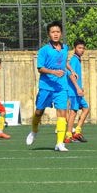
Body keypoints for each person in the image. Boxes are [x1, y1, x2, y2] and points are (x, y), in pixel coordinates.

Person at [26, 21, 71, 152]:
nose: (55, 34)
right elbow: (40, 68)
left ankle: (60, 143)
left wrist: (71, 71)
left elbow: (64, 62)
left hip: (61, 86)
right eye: (53, 32)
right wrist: (53, 72)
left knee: (62, 112)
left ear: (61, 33)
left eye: (57, 32)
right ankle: (34, 130)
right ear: (49, 34)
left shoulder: (65, 48)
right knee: (39, 112)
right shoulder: (44, 50)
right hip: (46, 86)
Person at [64, 39, 89, 143]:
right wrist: (77, 88)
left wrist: (80, 86)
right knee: (73, 113)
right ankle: (68, 136)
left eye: (83, 48)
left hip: (77, 90)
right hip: (74, 91)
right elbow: (71, 75)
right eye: (79, 48)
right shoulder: (74, 60)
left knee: (86, 108)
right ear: (74, 49)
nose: (81, 50)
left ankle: (77, 132)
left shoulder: (77, 60)